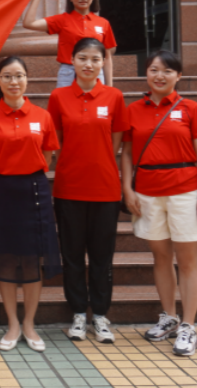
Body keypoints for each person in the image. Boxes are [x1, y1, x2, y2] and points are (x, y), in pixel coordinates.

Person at [120, 51, 197, 357]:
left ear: (178, 76)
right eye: (153, 69)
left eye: (167, 71)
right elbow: (127, 153)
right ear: (146, 73)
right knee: (160, 257)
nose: (159, 76)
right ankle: (169, 317)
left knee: (187, 260)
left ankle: (188, 325)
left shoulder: (190, 108)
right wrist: (127, 189)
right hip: (147, 192)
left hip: (185, 191)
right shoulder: (133, 109)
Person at [0, 56, 60, 353]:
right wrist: (4, 174)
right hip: (2, 191)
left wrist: (26, 172)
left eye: (19, 75)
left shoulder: (42, 115)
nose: (14, 81)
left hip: (34, 191)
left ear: (27, 79)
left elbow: (48, 155)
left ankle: (29, 324)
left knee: (33, 259)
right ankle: (12, 323)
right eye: (7, 76)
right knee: (6, 258)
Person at [46, 37, 129, 344]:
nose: (89, 64)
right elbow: (56, 140)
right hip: (68, 187)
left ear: (103, 63)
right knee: (71, 255)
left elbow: (116, 142)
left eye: (95, 59)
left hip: (105, 189)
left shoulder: (114, 96)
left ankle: (101, 315)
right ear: (72, 61)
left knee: (101, 257)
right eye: (82, 58)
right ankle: (79, 313)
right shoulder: (58, 96)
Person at [21, 0, 117, 87]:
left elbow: (107, 57)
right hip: (68, 73)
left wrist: (110, 87)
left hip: (95, 72)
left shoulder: (103, 23)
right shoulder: (62, 20)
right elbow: (29, 23)